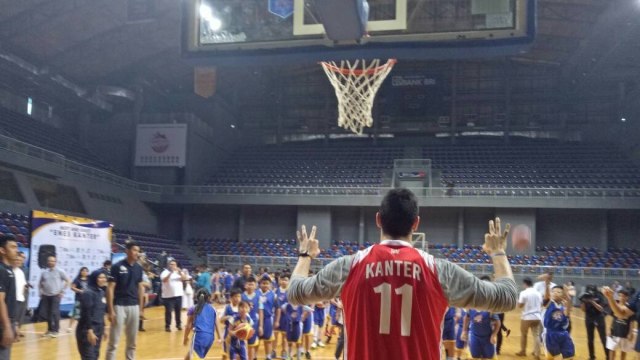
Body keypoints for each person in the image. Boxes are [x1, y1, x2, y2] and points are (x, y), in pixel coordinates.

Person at [286, 188, 518, 360]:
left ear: (378, 220)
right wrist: (498, 252)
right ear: (416, 224)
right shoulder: (439, 270)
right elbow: (507, 297)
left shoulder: (348, 266)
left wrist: (305, 256)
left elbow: (295, 292)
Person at [106, 241, 145, 360]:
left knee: (132, 343)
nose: (136, 253)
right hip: (119, 306)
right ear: (127, 251)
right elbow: (110, 288)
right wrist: (110, 310)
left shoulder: (139, 268)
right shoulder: (117, 267)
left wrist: (141, 309)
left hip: (134, 306)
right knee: (114, 342)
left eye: (138, 251)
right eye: (134, 250)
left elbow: (140, 288)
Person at [76, 270, 109, 360]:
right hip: (87, 329)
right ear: (95, 279)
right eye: (100, 277)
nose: (103, 280)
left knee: (95, 356)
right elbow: (86, 313)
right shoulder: (88, 293)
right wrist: (89, 331)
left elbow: (101, 311)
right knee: (88, 356)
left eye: (104, 277)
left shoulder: (101, 292)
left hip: (99, 328)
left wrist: (105, 327)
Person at [183, 288, 221, 360]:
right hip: (210, 338)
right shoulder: (213, 309)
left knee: (195, 356)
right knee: (190, 356)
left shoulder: (193, 308)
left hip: (199, 337)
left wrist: (185, 338)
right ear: (209, 297)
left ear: (197, 297)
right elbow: (217, 324)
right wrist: (220, 337)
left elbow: (188, 326)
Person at [38, 255, 70, 338]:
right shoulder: (44, 272)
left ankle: (56, 330)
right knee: (48, 313)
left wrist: (62, 291)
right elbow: (40, 283)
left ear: (55, 262)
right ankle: (49, 330)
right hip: (46, 295)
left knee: (54, 312)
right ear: (47, 262)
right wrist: (41, 292)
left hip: (56, 295)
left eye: (53, 261)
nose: (51, 262)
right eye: (49, 261)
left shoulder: (60, 271)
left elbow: (68, 281)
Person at [544, 286, 575, 360]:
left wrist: (567, 295)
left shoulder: (564, 306)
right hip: (551, 334)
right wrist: (547, 282)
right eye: (553, 291)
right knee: (552, 357)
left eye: (558, 292)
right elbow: (546, 297)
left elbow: (568, 310)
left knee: (569, 356)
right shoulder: (549, 303)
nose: (555, 293)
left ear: (563, 295)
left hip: (563, 333)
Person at [602, 288, 634, 360]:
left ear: (627, 297)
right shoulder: (615, 306)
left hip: (624, 332)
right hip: (614, 331)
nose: (621, 297)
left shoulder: (629, 308)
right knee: (612, 349)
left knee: (623, 351)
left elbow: (631, 321)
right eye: (620, 295)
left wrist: (630, 333)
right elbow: (611, 318)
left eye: (623, 296)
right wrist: (609, 329)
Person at [0, 234, 18, 359]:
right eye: (12, 247)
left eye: (16, 247)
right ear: (2, 250)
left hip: (8, 321)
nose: (16, 250)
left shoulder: (9, 270)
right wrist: (7, 327)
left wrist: (14, 324)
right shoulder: (1, 270)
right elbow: (0, 300)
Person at [580, 284, 610, 360]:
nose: (590, 292)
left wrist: (592, 301)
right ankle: (591, 356)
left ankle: (608, 356)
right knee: (590, 339)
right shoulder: (585, 296)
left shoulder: (599, 295)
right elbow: (583, 310)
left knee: (603, 338)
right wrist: (583, 301)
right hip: (589, 318)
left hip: (599, 317)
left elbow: (601, 309)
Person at [516, 277, 542, 358]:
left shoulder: (524, 293)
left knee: (524, 334)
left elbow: (520, 305)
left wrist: (517, 301)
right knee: (536, 335)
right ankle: (537, 354)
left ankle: (523, 351)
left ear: (525, 284)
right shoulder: (538, 293)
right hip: (537, 316)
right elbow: (541, 304)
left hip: (526, 317)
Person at [161, 260, 188, 332]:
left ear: (176, 265)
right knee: (168, 312)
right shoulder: (165, 272)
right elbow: (164, 280)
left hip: (178, 295)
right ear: (168, 265)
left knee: (178, 311)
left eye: (174, 264)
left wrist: (180, 272)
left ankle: (178, 324)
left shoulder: (178, 272)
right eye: (171, 264)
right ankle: (167, 326)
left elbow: (185, 279)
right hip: (168, 296)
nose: (172, 266)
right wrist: (170, 273)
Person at [258, 276, 277, 360]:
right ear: (260, 284)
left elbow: (277, 308)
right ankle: (254, 356)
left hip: (268, 319)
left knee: (268, 339)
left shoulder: (273, 295)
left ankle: (268, 356)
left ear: (270, 285)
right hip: (257, 319)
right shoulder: (256, 294)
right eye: (263, 283)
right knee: (256, 339)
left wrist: (276, 320)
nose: (265, 285)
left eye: (267, 283)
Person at [221, 288, 242, 360]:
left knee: (239, 354)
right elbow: (221, 320)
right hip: (227, 333)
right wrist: (227, 317)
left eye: (239, 296)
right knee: (225, 353)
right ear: (231, 298)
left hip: (239, 333)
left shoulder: (242, 307)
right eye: (235, 296)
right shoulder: (227, 307)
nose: (237, 298)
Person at [69, 267, 90, 333]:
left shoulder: (89, 279)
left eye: (86, 271)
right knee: (75, 313)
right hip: (79, 299)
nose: (84, 272)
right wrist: (80, 291)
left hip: (87, 299)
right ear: (80, 272)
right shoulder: (77, 280)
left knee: (87, 312)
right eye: (83, 271)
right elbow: (72, 287)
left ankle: (86, 326)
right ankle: (70, 326)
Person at [12, 251, 27, 340]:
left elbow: (23, 285)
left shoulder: (21, 272)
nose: (18, 261)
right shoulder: (9, 270)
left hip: (20, 298)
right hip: (12, 299)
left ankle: (16, 334)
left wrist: (22, 294)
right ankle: (15, 335)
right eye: (16, 259)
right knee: (12, 318)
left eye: (19, 260)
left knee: (17, 318)